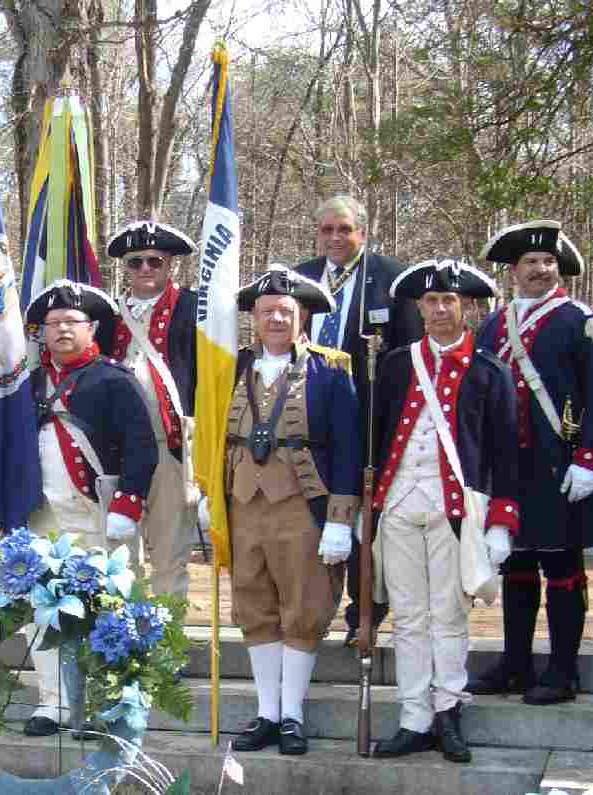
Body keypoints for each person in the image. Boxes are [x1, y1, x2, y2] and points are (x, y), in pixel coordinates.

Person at [0, 279, 156, 737]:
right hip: (40, 515)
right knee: (41, 611)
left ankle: (111, 700)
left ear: (92, 327)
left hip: (96, 513)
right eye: (52, 323)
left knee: (107, 610)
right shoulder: (27, 383)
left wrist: (128, 504)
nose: (61, 330)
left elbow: (142, 447)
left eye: (71, 322)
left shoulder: (114, 380)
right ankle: (54, 704)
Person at [370, 260, 519, 763]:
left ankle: (447, 712)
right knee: (409, 616)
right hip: (399, 501)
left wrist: (502, 521)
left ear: (465, 306)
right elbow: (378, 437)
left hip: (457, 507)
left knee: (449, 615)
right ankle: (414, 717)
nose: (438, 309)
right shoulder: (395, 365)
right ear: (419, 307)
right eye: (430, 301)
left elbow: (505, 453)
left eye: (448, 300)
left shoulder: (489, 371)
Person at [470, 220, 593, 705]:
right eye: (530, 263)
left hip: (560, 464)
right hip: (509, 468)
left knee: (562, 567)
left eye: (548, 262)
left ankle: (562, 670)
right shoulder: (494, 324)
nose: (540, 269)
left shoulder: (580, 321)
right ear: (514, 272)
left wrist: (589, 459)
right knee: (515, 567)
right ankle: (515, 663)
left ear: (560, 270)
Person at [224, 266, 360, 755]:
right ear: (254, 320)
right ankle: (266, 712)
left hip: (304, 506)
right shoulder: (233, 368)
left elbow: (348, 447)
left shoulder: (330, 369)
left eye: (285, 312)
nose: (276, 320)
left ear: (301, 317)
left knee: (304, 606)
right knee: (254, 605)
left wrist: (341, 520)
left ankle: (292, 716)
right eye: (267, 313)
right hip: (243, 504)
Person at [293, 194, 424, 647]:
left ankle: (364, 614)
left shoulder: (391, 280)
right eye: (326, 230)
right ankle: (310, 614)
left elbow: (411, 354)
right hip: (310, 417)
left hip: (372, 416)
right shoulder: (302, 277)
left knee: (365, 522)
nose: (334, 238)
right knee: (315, 516)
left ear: (362, 233)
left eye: (344, 230)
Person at [105, 220, 198, 599]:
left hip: (170, 448)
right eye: (135, 261)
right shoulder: (107, 315)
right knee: (118, 560)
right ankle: (122, 649)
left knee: (169, 558)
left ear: (170, 264)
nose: (145, 269)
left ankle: (166, 652)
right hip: (117, 453)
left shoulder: (194, 310)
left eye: (154, 261)